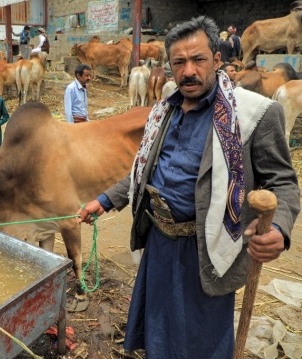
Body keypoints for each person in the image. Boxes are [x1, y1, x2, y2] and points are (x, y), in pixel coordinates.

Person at [78, 16, 299, 358]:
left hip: (209, 248)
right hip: (160, 242)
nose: (188, 71)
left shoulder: (252, 114)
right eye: (179, 62)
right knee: (160, 331)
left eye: (198, 59)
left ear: (217, 59)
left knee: (202, 339)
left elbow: (283, 182)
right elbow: (143, 171)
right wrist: (106, 200)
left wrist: (280, 228)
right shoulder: (163, 111)